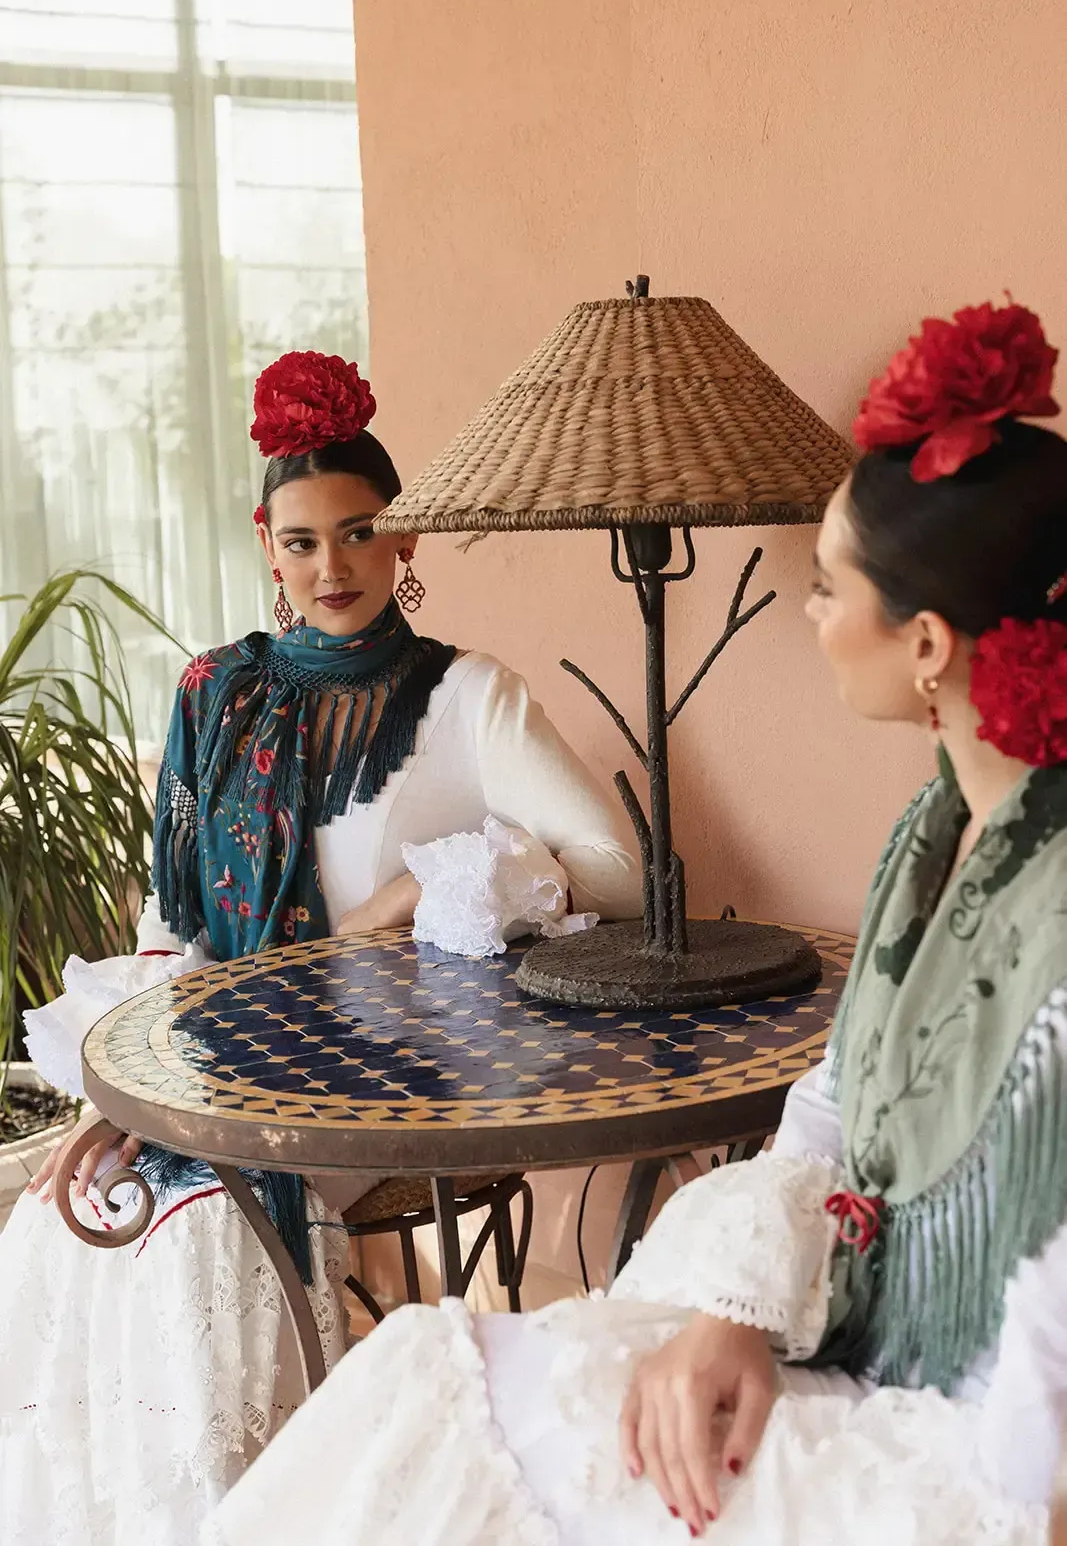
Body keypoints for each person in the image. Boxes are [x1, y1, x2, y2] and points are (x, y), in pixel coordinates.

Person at [209, 301, 1067, 1546]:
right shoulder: (934, 832)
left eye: (826, 587)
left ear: (924, 643)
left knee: (447, 1419)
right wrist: (730, 1309)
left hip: (960, 1434)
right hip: (838, 1319)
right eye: (299, 541)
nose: (808, 611)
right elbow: (834, 1101)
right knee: (417, 1371)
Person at [0, 350, 641, 1546]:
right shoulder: (211, 693)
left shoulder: (467, 697)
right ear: (267, 545)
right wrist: (126, 1088)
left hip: (391, 1073)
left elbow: (614, 867)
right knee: (67, 1213)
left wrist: (414, 888)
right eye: (301, 542)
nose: (330, 567)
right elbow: (171, 926)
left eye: (359, 535)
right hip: (213, 1050)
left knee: (199, 1238)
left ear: (403, 546)